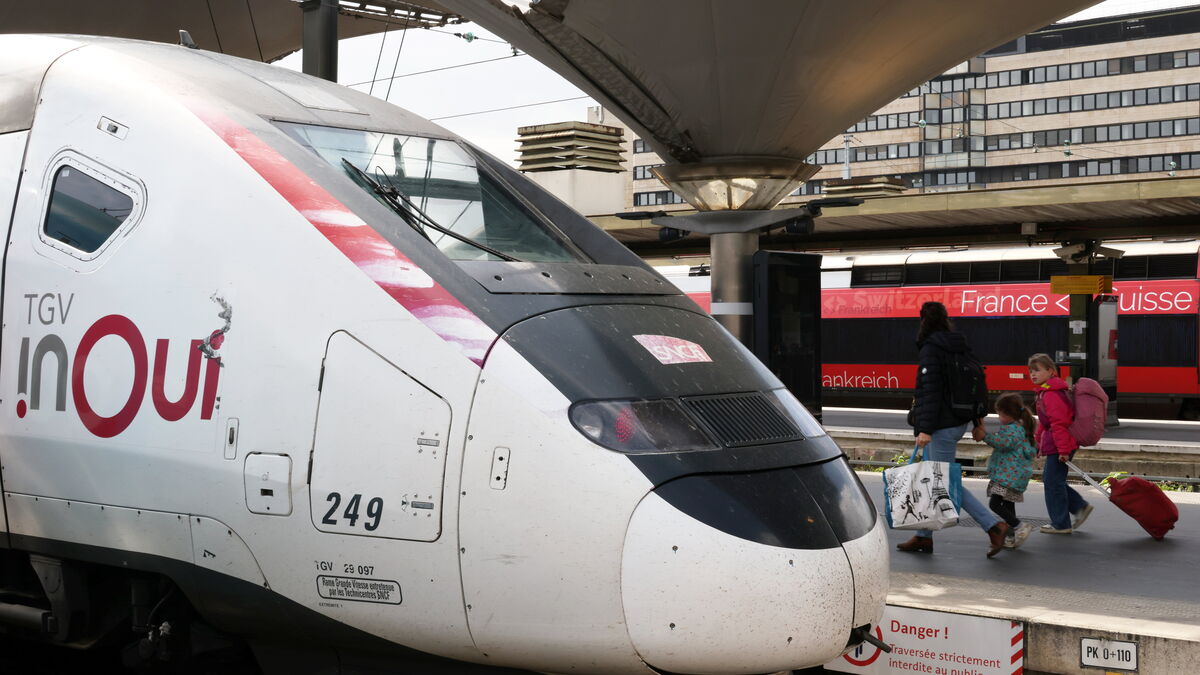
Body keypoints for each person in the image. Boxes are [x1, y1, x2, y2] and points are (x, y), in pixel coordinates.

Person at [898, 301, 1009, 557]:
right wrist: (978, 420)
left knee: (947, 483)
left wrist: (924, 428)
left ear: (923, 320)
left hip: (940, 426)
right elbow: (978, 385)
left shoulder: (931, 349)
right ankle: (923, 537)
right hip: (958, 421)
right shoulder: (960, 346)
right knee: (932, 476)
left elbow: (930, 391)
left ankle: (993, 526)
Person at [1028, 353, 1095, 534]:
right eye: (1031, 371)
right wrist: (1037, 441)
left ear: (1051, 371)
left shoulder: (1051, 394)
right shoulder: (1046, 392)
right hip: (1057, 443)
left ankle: (1061, 524)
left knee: (1052, 482)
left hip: (1060, 445)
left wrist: (1063, 449)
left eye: (1037, 370)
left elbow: (1059, 423)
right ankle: (1079, 507)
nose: (1033, 374)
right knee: (1054, 481)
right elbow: (1045, 422)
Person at [972, 393, 1038, 550]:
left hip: (1007, 475)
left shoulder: (1012, 430)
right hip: (1014, 475)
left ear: (1009, 414)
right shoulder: (1021, 428)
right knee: (1008, 506)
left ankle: (1020, 526)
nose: (998, 417)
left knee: (995, 504)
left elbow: (1002, 443)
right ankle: (1010, 536)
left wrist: (985, 436)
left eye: (1000, 414)